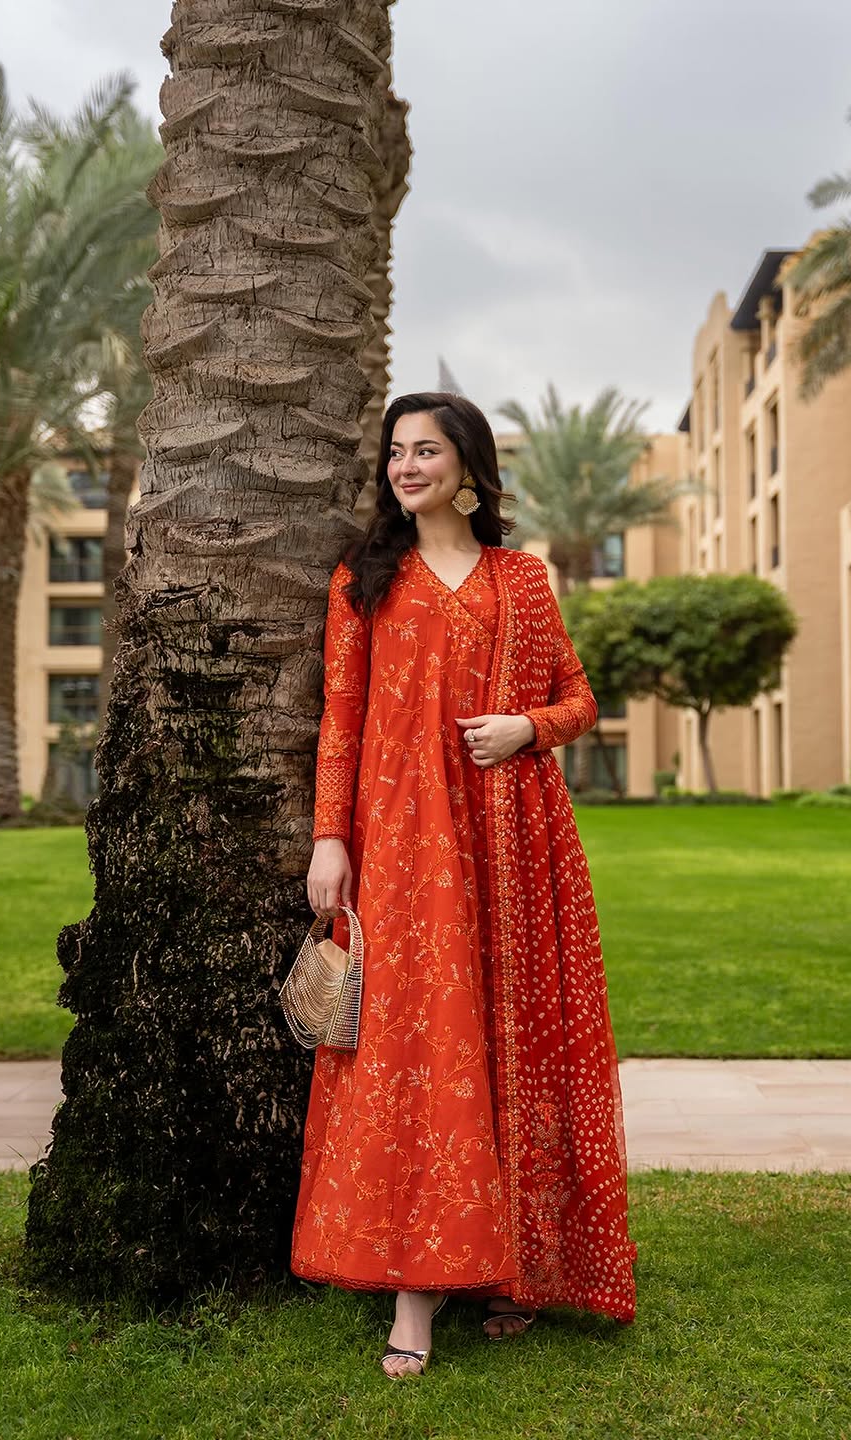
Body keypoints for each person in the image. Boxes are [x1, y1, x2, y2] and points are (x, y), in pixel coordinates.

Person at [292, 391, 637, 1378]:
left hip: (511, 842)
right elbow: (341, 722)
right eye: (396, 452)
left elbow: (578, 698)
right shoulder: (364, 581)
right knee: (421, 1047)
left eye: (427, 451)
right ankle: (415, 1295)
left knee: (513, 1037)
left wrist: (529, 728)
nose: (407, 467)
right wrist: (330, 838)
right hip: (401, 845)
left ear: (470, 467)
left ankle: (514, 1266)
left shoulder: (520, 582)